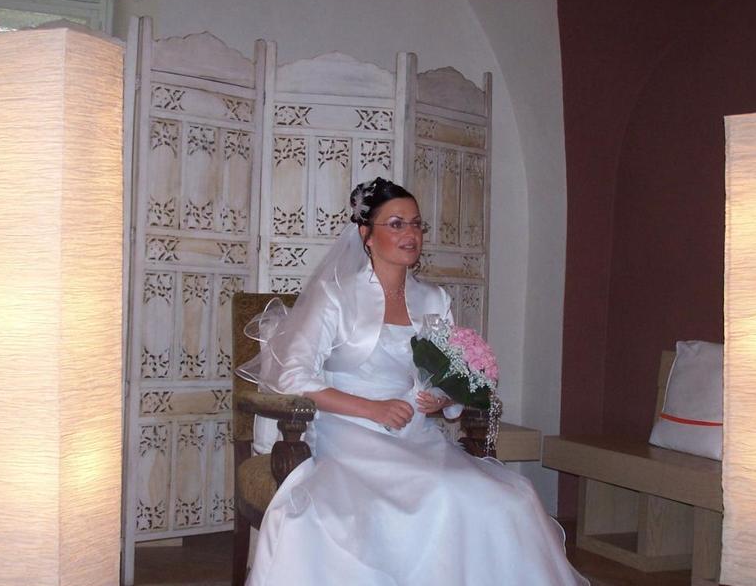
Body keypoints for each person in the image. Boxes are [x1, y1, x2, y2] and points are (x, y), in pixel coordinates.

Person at [240, 177, 588, 585]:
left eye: (416, 224)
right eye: (396, 224)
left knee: (511, 499)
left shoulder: (435, 299)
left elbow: (447, 373)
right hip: (350, 437)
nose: (410, 234)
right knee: (436, 494)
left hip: (417, 437)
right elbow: (292, 376)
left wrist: (444, 398)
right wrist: (371, 408)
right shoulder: (336, 297)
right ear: (366, 235)